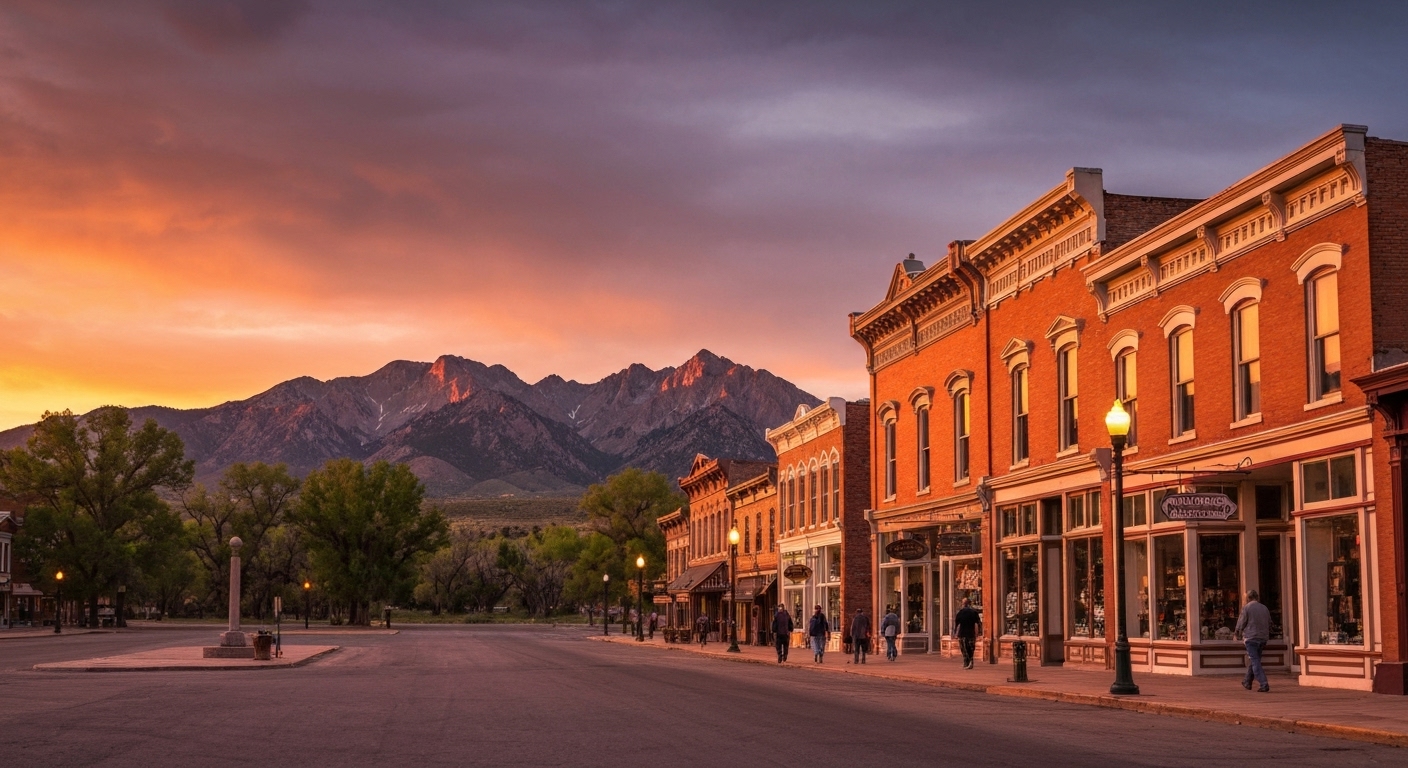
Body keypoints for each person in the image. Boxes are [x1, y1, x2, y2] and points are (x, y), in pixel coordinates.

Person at [1236, 589, 1272, 692]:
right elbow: (1270, 623)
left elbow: (1241, 623)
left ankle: (1263, 683)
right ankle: (1247, 681)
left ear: (1248, 598)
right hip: (1263, 638)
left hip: (1251, 638)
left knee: (1255, 661)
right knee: (1255, 660)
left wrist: (1237, 634)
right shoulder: (1264, 608)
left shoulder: (1247, 608)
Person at [953, 598, 981, 669]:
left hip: (963, 633)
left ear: (963, 604)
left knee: (964, 648)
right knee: (970, 648)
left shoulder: (960, 612)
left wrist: (956, 633)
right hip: (971, 633)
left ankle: (966, 662)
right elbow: (977, 623)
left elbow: (957, 624)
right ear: (970, 604)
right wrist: (977, 633)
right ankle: (970, 661)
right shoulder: (974, 612)